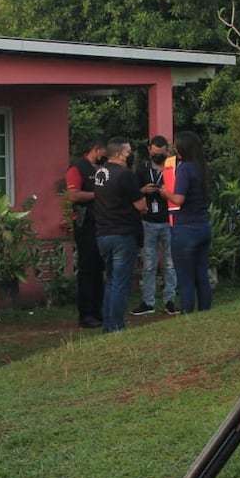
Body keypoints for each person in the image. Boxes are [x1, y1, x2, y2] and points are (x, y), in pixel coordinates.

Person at [92, 137, 146, 332]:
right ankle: (116, 325)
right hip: (123, 233)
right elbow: (141, 205)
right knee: (121, 283)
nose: (131, 156)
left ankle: (108, 323)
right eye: (128, 152)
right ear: (118, 154)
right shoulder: (125, 175)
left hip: (103, 233)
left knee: (112, 280)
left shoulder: (100, 173)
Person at [161, 131, 212, 314]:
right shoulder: (201, 168)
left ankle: (186, 313)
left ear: (182, 148)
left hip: (185, 229)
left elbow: (179, 199)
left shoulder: (184, 169)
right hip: (203, 225)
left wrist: (165, 193)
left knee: (185, 278)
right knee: (201, 276)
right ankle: (206, 310)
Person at [131, 135, 178, 316]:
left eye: (161, 153)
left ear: (167, 150)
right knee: (149, 264)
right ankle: (148, 302)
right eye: (155, 153)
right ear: (149, 149)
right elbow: (133, 192)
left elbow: (178, 191)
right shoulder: (141, 169)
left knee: (170, 263)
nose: (158, 156)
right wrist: (143, 190)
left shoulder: (171, 168)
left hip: (168, 220)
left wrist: (166, 193)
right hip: (148, 220)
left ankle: (170, 300)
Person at [66, 137, 107, 328]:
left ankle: (99, 310)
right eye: (104, 152)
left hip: (101, 224)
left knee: (99, 269)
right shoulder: (77, 168)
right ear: (96, 149)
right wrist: (98, 195)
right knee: (87, 268)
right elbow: (73, 195)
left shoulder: (101, 168)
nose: (105, 156)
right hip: (85, 225)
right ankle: (86, 314)